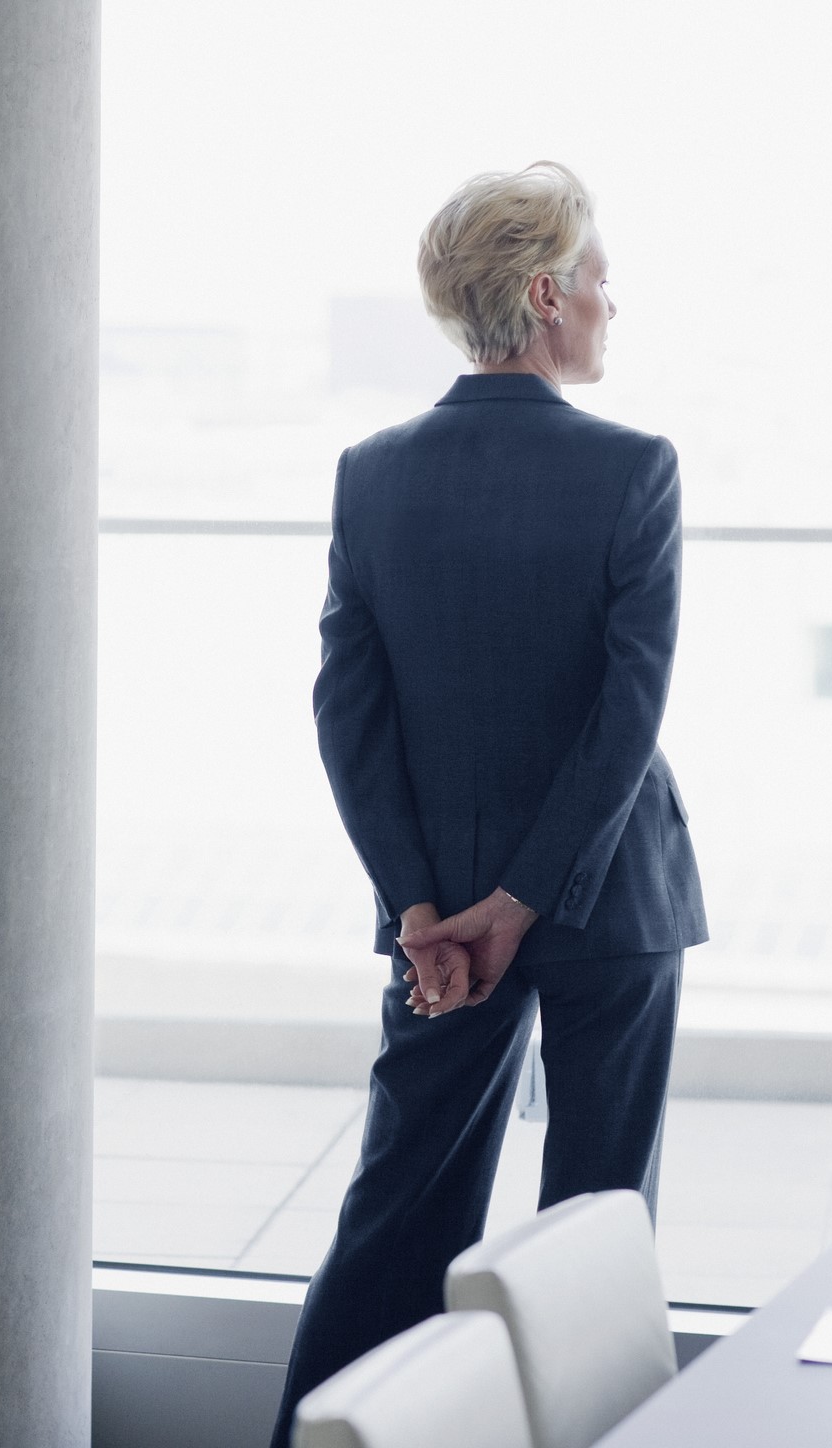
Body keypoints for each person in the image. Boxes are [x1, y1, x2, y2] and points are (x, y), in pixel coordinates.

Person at [267, 161, 707, 1447]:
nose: (610, 307)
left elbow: (346, 712)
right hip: (607, 904)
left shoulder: (372, 472)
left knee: (397, 1210)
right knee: (593, 1230)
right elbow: (627, 715)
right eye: (597, 282)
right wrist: (523, 901)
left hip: (441, 916)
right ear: (540, 293)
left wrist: (424, 906)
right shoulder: (636, 468)